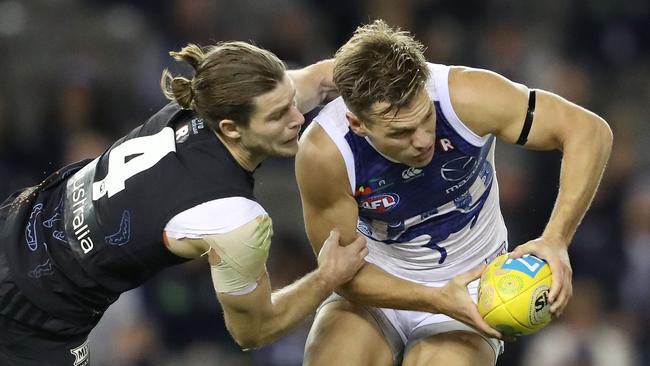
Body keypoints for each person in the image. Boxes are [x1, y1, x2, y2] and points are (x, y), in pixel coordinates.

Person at [0, 41, 368, 365]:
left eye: (290, 103)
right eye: (278, 115)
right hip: (35, 320)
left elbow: (321, 79)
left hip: (11, 227)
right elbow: (253, 329)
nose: (297, 119)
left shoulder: (199, 104)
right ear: (230, 128)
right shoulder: (232, 217)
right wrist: (326, 278)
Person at [295, 20, 612, 366]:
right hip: (378, 283)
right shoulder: (325, 153)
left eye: (425, 118)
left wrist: (556, 239)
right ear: (358, 124)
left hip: (474, 284)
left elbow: (589, 131)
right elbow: (343, 274)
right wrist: (433, 297)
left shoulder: (466, 95)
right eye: (401, 133)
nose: (422, 140)